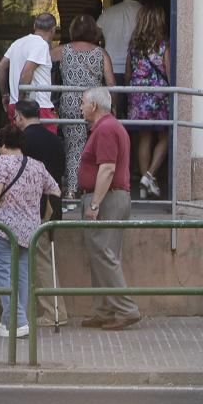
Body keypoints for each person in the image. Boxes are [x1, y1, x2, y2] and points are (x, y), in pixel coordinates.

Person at [0, 123, 60, 338]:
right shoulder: (37, 165)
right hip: (30, 230)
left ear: (2, 144)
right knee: (22, 275)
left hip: (1, 228)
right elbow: (55, 191)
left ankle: (19, 321)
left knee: (2, 274)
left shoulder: (0, 163)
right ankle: (9, 321)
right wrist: (45, 219)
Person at [78, 86, 142, 331]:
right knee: (102, 255)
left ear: (94, 106)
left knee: (104, 254)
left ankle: (126, 309)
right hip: (110, 197)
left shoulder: (105, 129)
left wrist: (94, 203)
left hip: (105, 198)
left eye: (83, 103)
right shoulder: (110, 127)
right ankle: (104, 310)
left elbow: (107, 169)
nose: (81, 107)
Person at [14, 99, 68, 326]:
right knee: (43, 257)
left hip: (33, 207)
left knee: (41, 259)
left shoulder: (24, 140)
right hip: (54, 203)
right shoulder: (55, 140)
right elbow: (61, 171)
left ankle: (55, 312)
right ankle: (48, 309)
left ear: (19, 117)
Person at [52, 14, 116, 197]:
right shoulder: (101, 53)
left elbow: (41, 64)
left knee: (74, 145)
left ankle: (72, 189)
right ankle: (92, 187)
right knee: (97, 146)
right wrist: (112, 106)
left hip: (70, 103)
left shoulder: (61, 51)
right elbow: (111, 83)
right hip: (95, 103)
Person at [127, 4, 172, 199]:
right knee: (165, 137)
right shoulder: (163, 44)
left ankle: (144, 188)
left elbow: (129, 72)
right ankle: (149, 175)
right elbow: (168, 71)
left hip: (137, 94)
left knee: (144, 138)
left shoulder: (134, 44)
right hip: (158, 95)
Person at [0, 13, 58, 132]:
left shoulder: (18, 43)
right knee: (47, 147)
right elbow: (26, 72)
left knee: (20, 147)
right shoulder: (42, 44)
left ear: (34, 25)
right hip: (36, 107)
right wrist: (21, 103)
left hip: (14, 105)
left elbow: (0, 67)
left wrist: (5, 95)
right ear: (53, 29)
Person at [99, 0, 144, 79]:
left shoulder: (108, 12)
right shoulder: (145, 14)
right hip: (137, 68)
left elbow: (93, 35)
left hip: (110, 67)